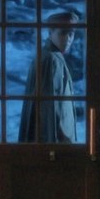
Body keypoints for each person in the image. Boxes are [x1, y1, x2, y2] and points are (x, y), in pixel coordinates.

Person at [18, 11, 79, 143]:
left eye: (71, 34)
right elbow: (50, 108)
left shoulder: (50, 56)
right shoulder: (51, 60)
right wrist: (63, 140)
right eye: (63, 33)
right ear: (50, 33)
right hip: (56, 142)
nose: (68, 38)